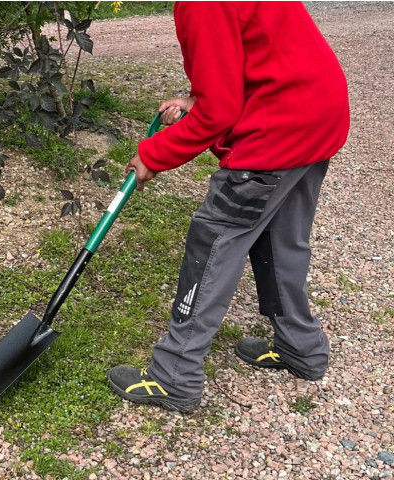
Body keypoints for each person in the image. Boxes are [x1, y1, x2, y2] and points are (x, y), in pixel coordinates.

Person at [108, 1, 350, 413]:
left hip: (281, 125)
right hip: (317, 111)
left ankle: (175, 375)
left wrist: (155, 154)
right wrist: (195, 99)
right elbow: (249, 57)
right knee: (279, 240)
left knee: (213, 240)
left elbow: (220, 111)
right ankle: (301, 347)